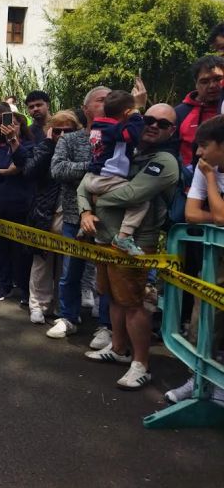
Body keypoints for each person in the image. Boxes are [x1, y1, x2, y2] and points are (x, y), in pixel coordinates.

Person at [78, 104, 179, 390]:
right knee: (112, 297)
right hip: (105, 237)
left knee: (134, 303)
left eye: (163, 123)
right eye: (149, 119)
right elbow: (85, 181)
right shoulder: (128, 151)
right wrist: (85, 210)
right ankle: (119, 348)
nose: (154, 126)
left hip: (135, 243)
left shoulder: (165, 161)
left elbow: (134, 193)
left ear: (172, 131)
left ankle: (141, 364)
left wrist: (98, 199)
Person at [166, 115, 224, 403]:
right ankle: (199, 379)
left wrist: (212, 179)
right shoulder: (204, 168)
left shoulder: (207, 171)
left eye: (204, 145)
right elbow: (191, 214)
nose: (198, 153)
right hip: (215, 257)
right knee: (203, 318)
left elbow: (221, 217)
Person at [47, 87, 109, 341]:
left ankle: (106, 325)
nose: (107, 104)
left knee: (107, 275)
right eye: (101, 100)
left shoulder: (121, 139)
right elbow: (58, 170)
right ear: (86, 109)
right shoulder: (70, 140)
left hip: (109, 220)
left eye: (110, 100)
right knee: (70, 272)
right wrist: (93, 168)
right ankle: (68, 317)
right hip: (74, 215)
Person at [13, 110, 82, 323]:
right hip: (44, 211)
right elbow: (29, 171)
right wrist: (49, 145)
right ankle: (38, 305)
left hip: (71, 212)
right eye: (57, 130)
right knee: (41, 260)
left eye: (67, 131)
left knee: (67, 265)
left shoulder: (80, 149)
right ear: (49, 130)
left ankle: (63, 308)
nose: (62, 134)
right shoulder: (43, 147)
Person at [82, 88, 149, 256]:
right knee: (141, 200)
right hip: (108, 179)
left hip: (94, 177)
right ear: (126, 113)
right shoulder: (114, 129)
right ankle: (124, 237)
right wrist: (136, 112)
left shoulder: (99, 126)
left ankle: (85, 229)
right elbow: (132, 134)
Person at [0, 112, 35, 302]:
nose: (11, 127)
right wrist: (6, 171)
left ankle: (24, 289)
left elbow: (24, 165)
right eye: (7, 124)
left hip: (20, 206)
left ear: (22, 126)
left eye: (15, 124)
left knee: (21, 251)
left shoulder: (29, 146)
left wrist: (14, 142)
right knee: (0, 248)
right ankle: (4, 285)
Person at [174, 55, 224, 168]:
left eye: (218, 79)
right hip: (189, 180)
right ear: (196, 83)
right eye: (204, 81)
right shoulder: (180, 113)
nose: (212, 85)